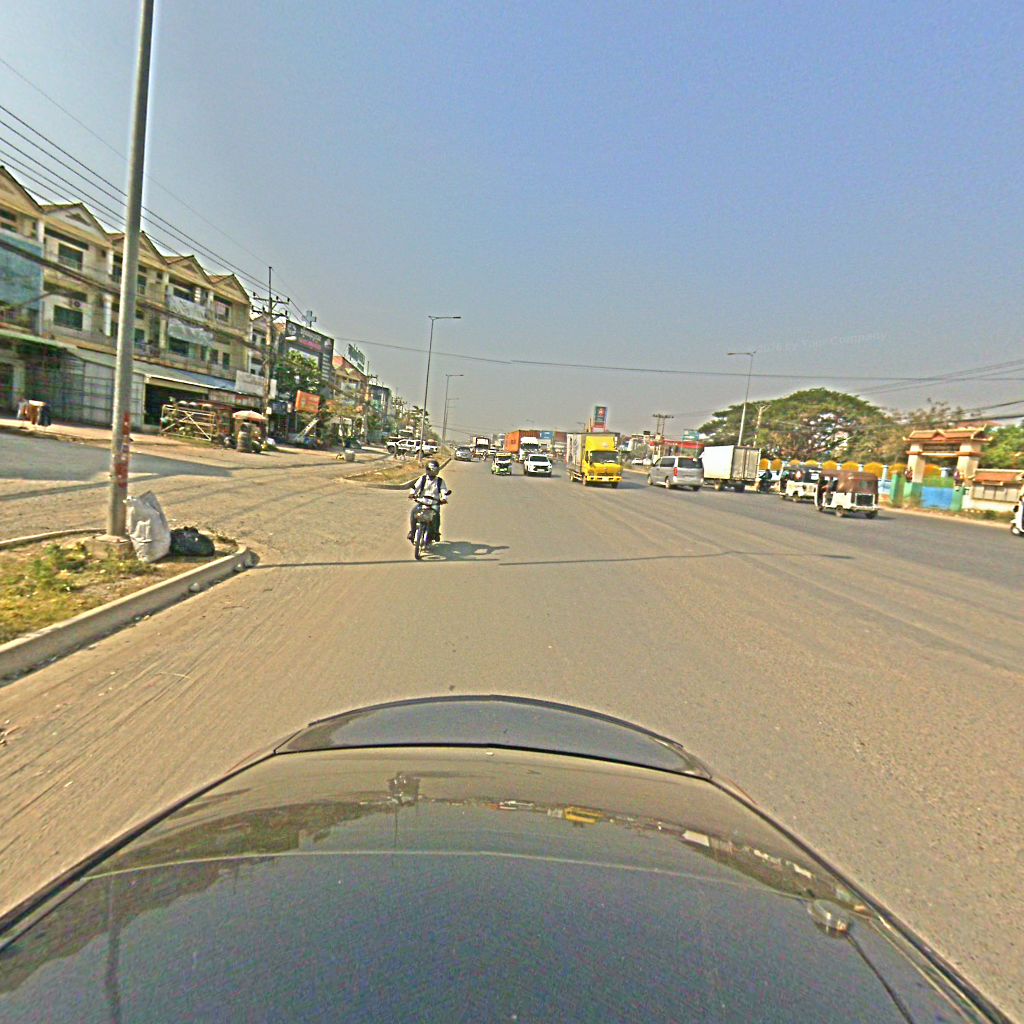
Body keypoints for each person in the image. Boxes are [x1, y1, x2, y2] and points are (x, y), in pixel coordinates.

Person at [408, 459, 450, 543]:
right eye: (431, 470)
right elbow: (415, 487)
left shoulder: (440, 481)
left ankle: (436, 532)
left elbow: (444, 490)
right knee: (414, 512)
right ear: (427, 470)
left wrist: (444, 498)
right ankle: (412, 532)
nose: (433, 473)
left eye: (435, 470)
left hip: (434, 502)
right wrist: (412, 493)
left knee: (436, 514)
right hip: (422, 501)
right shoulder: (423, 479)